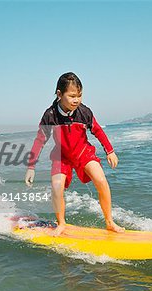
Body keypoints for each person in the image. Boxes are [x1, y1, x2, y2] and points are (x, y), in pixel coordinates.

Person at [24, 72, 125, 236]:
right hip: (61, 155)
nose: (76, 100)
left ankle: (109, 222)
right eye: (72, 96)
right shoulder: (50, 116)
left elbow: (98, 131)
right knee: (56, 187)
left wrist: (110, 151)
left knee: (101, 180)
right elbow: (39, 140)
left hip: (83, 152)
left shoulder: (84, 112)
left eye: (79, 95)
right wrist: (31, 166)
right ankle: (62, 223)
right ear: (59, 94)